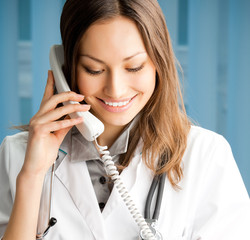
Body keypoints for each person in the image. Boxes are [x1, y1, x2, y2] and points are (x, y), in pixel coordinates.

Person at [1, 0, 250, 239]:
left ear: (158, 63)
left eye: (134, 68)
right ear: (66, 68)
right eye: (94, 69)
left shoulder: (206, 156)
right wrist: (32, 176)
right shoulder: (17, 155)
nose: (116, 90)